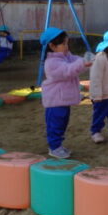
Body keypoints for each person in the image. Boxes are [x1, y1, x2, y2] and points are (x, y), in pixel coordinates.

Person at [40, 27, 91, 158]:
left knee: (62, 123)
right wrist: (83, 62)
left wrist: (86, 62)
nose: (66, 46)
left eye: (67, 43)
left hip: (63, 100)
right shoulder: (51, 63)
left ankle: (58, 145)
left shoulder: (66, 56)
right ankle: (54, 147)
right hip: (55, 101)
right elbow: (68, 70)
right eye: (63, 44)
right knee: (55, 125)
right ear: (52, 46)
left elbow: (76, 62)